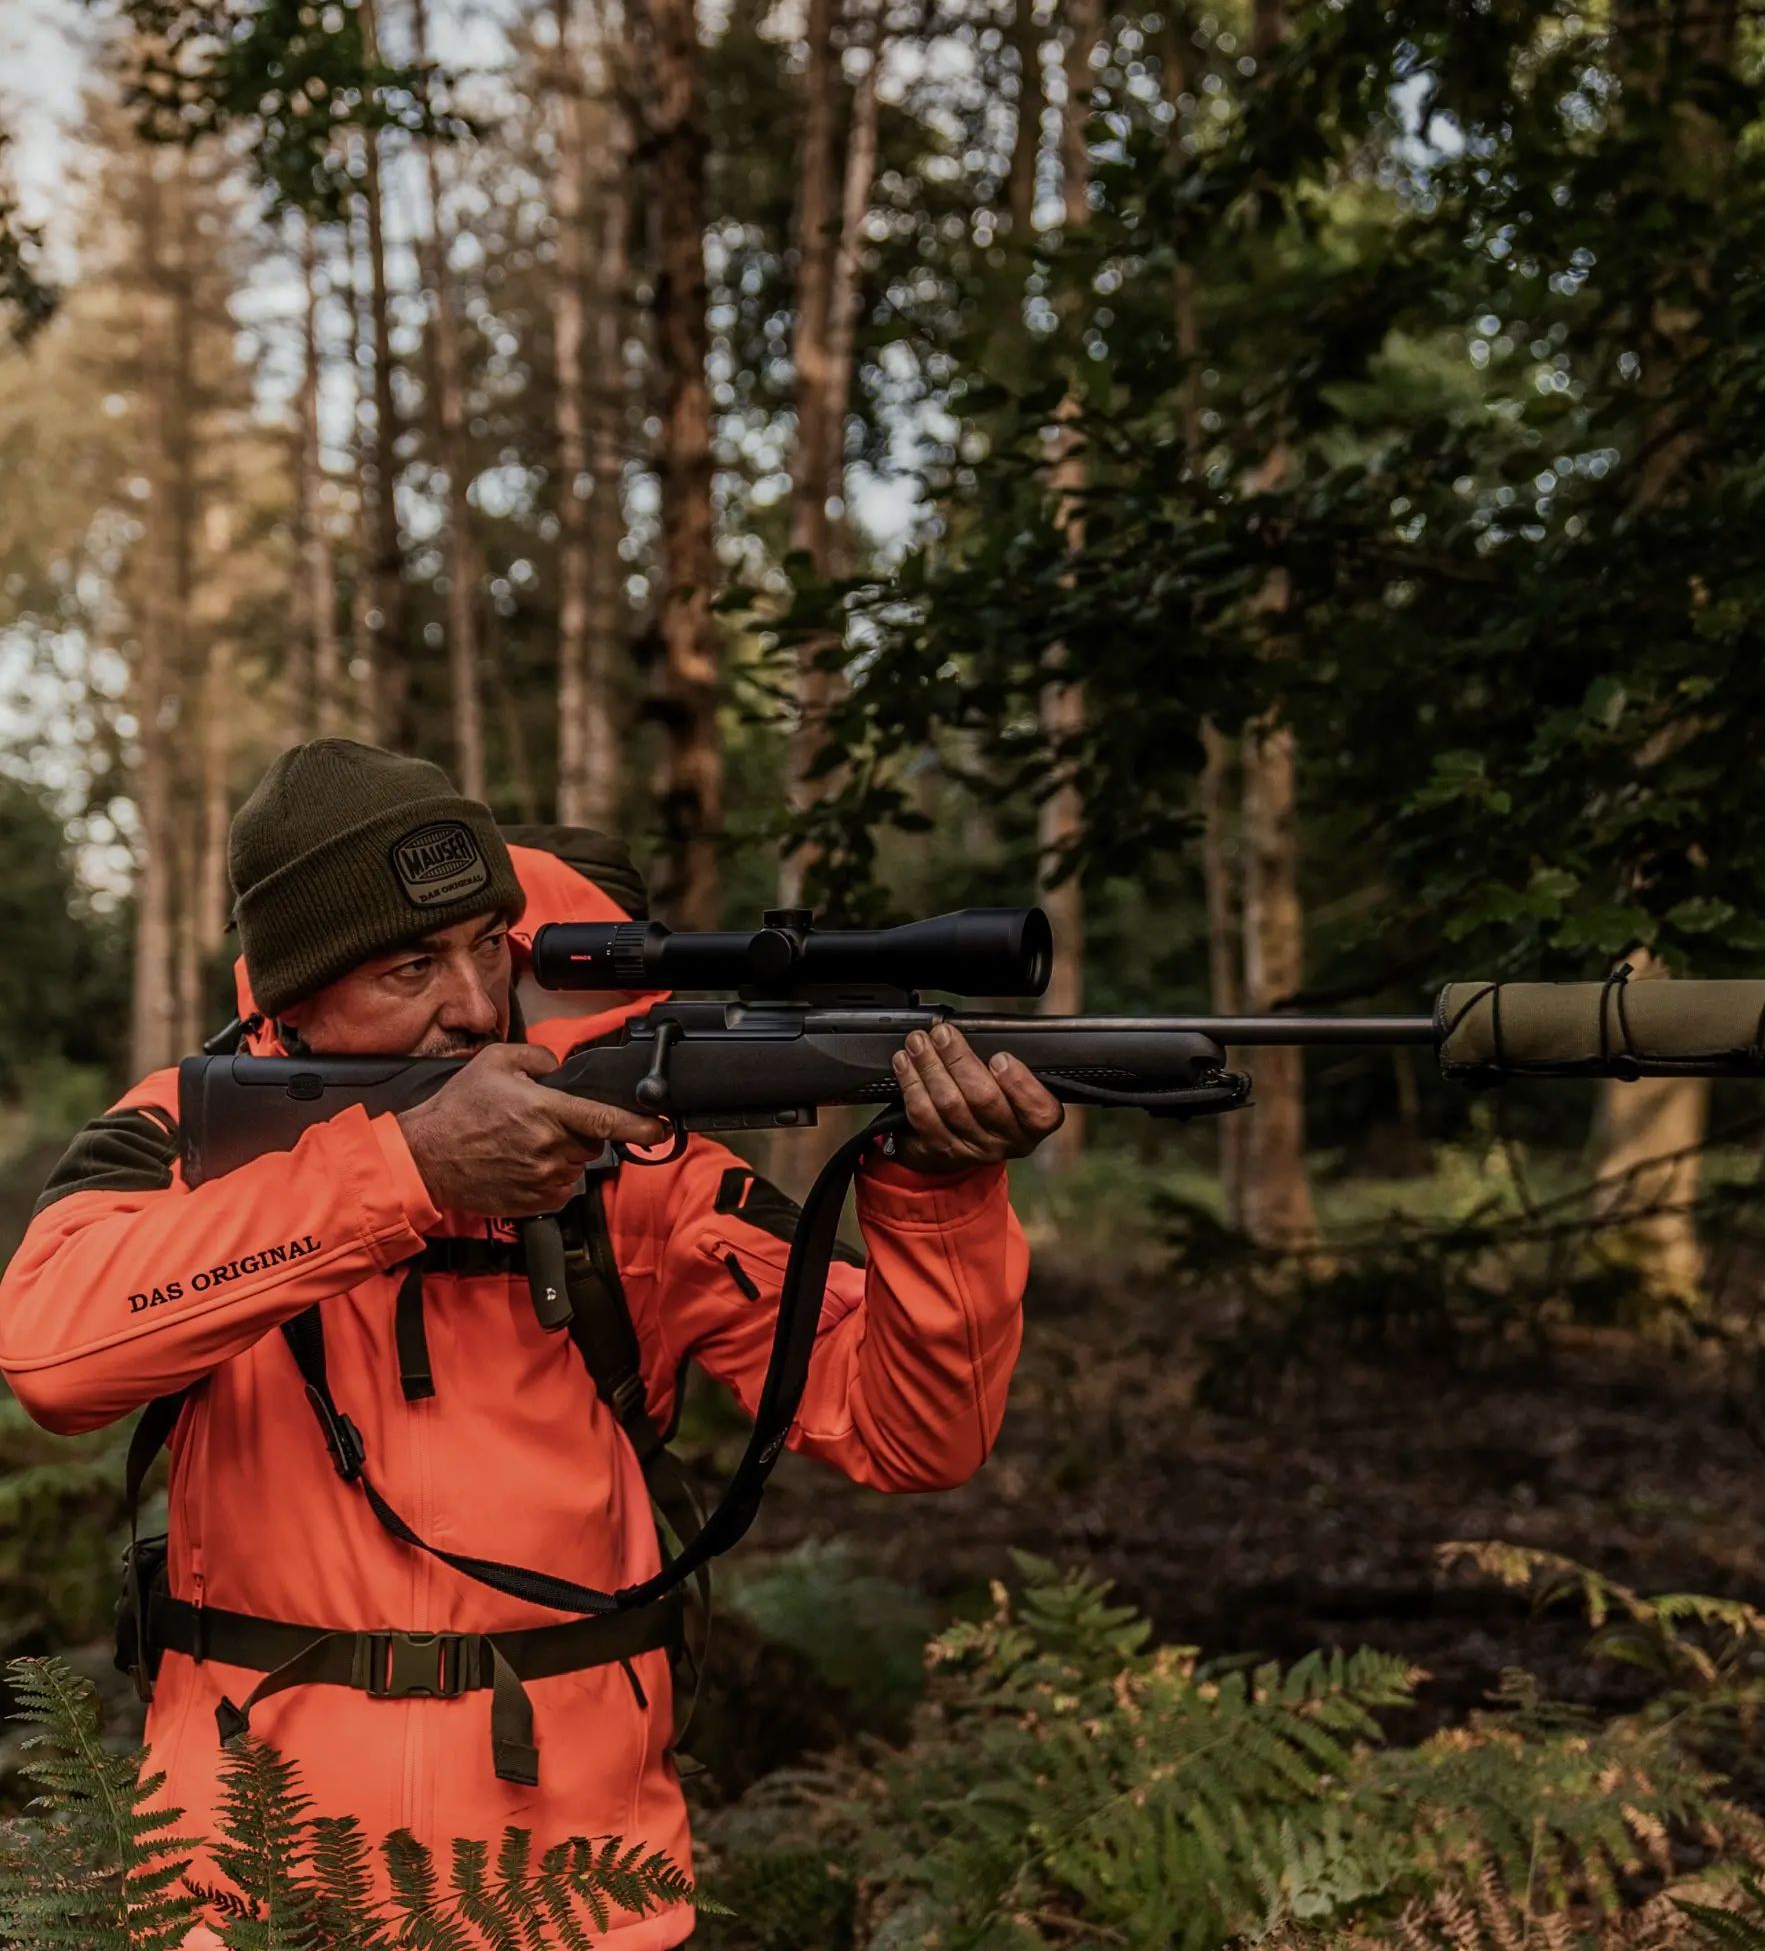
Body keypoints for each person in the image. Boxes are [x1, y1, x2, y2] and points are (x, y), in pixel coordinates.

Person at [0, 740, 1062, 1949]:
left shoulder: (624, 1166)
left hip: (573, 1895)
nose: (470, 1001)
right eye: (412, 964)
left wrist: (940, 1195)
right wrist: (400, 1174)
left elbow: (914, 1436)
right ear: (294, 996)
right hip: (245, 1893)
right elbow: (51, 1356)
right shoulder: (188, 1134)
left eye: (485, 947)